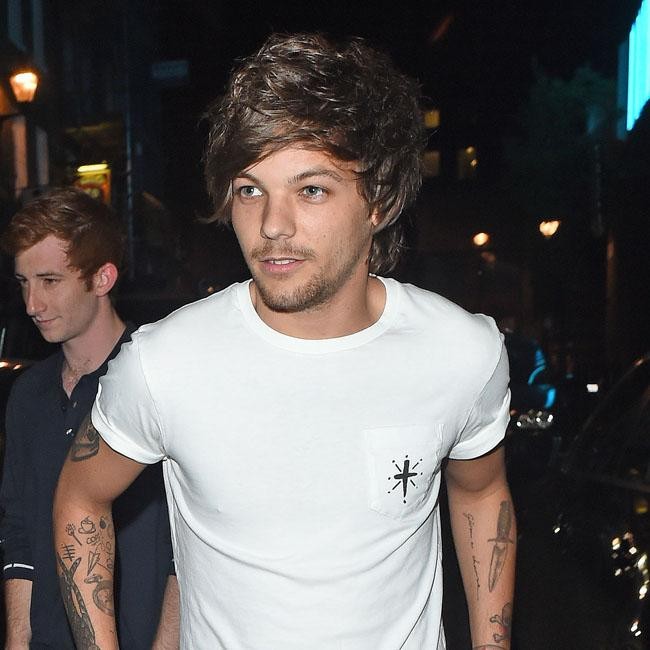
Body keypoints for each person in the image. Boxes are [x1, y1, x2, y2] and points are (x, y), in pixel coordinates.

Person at [53, 34, 515, 649]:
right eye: (251, 190)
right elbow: (80, 498)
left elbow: (481, 493)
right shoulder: (165, 363)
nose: (272, 225)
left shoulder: (461, 352)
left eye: (311, 189)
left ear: (379, 201)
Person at [0, 188, 179, 649]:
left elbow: (189, 543)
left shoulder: (158, 380)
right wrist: (18, 640)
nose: (32, 304)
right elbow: (19, 532)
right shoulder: (28, 394)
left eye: (49, 281)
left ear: (103, 278)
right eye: (23, 282)